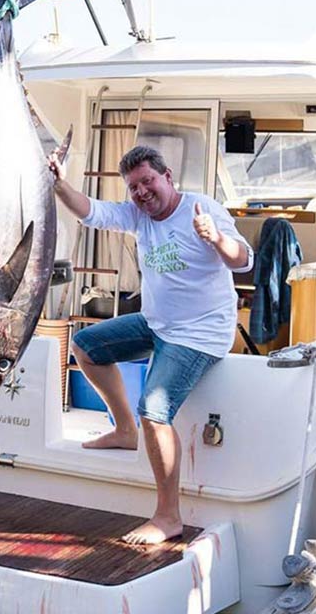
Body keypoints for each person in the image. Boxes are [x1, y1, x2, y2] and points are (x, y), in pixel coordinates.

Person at [48, 144, 252, 545]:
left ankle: (167, 516)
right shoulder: (138, 216)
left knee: (155, 410)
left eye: (147, 181)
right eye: (134, 186)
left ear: (168, 177)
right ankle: (123, 429)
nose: (141, 192)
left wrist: (215, 238)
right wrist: (57, 185)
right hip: (158, 322)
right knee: (86, 346)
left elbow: (243, 260)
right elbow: (92, 211)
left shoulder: (201, 208)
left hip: (201, 332)